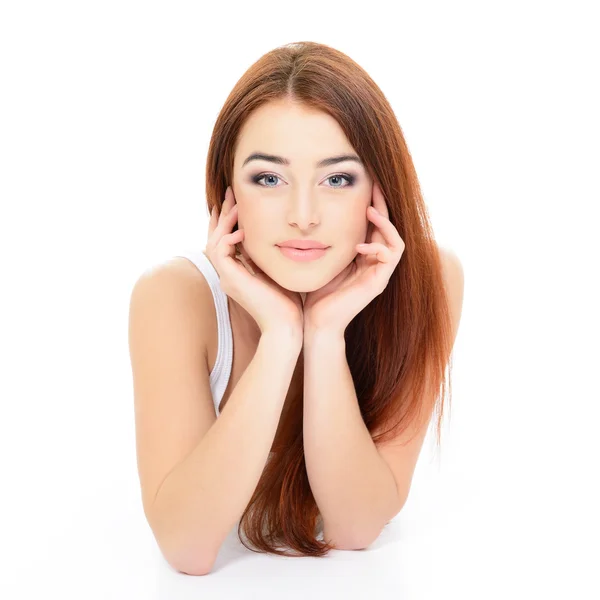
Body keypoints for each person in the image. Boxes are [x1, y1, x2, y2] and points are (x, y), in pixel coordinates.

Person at [128, 41, 464, 575]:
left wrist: (326, 332)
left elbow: (356, 528)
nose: (303, 216)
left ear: (378, 189)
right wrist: (282, 335)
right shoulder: (174, 296)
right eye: (269, 179)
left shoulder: (428, 280)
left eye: (337, 179)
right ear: (226, 191)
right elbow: (186, 547)